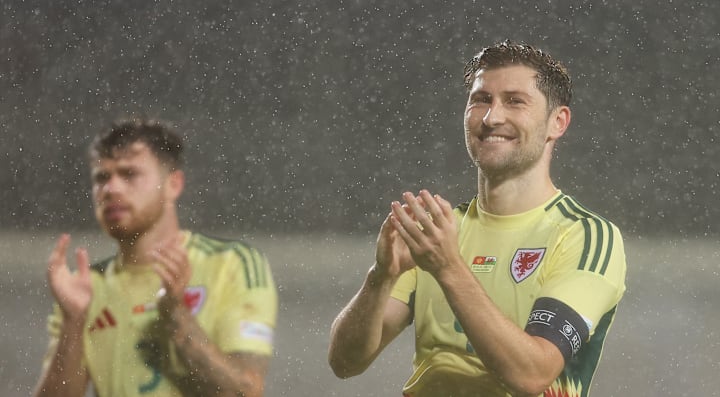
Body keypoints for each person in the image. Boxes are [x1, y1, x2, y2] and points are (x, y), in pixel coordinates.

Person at [328, 41, 627, 397]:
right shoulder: (438, 232)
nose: (491, 117)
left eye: (515, 101)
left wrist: (448, 268)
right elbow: (345, 363)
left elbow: (532, 375)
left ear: (557, 122)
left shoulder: (584, 236)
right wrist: (381, 277)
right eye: (481, 100)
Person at [33, 118, 278, 397]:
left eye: (129, 174)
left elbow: (246, 391)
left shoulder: (232, 264)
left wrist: (176, 314)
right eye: (101, 177)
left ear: (173, 184)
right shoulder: (86, 287)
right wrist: (74, 322)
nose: (111, 189)